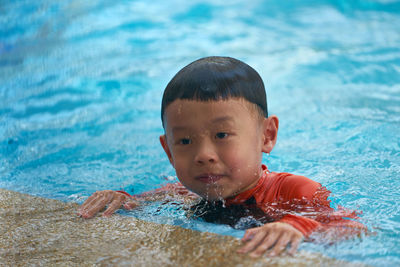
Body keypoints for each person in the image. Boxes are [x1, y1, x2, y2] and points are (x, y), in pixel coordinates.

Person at [78, 56, 366, 257]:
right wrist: (119, 197)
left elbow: (356, 229)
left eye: (221, 135)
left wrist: (301, 225)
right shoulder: (182, 192)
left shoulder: (295, 190)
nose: (203, 155)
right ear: (168, 150)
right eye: (186, 141)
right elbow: (137, 202)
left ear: (266, 136)